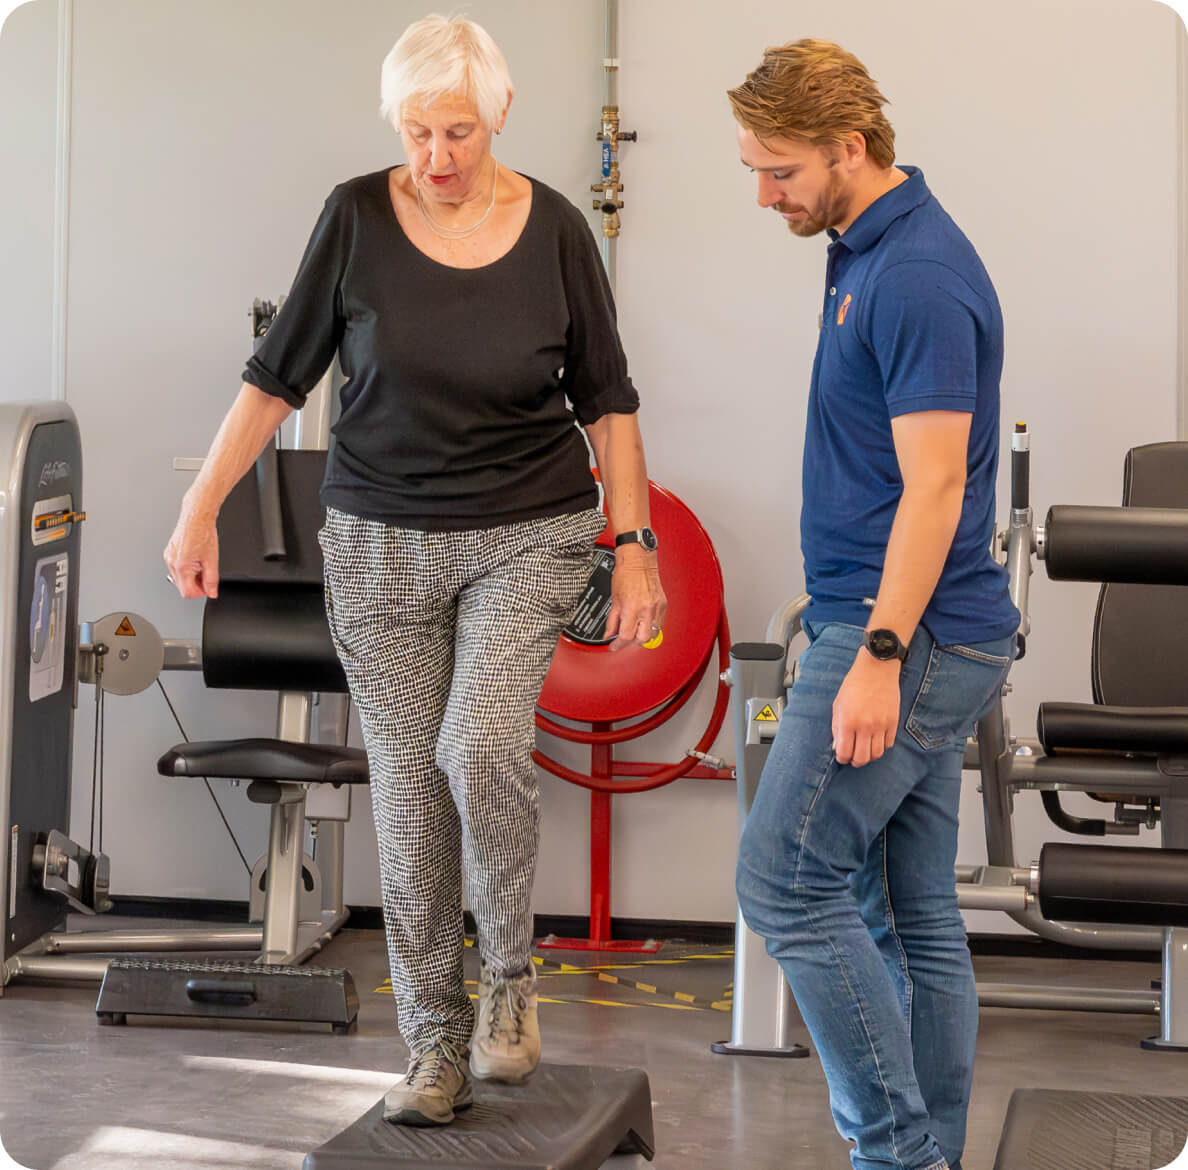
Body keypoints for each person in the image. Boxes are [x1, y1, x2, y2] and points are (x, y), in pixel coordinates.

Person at [164, 14, 666, 1130]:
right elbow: (275, 378)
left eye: (459, 131)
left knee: (476, 746)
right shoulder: (352, 215)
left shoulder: (556, 232)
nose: (437, 157)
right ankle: (434, 1046)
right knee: (406, 796)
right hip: (379, 544)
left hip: (525, 531)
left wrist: (634, 549)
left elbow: (612, 403)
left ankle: (508, 986)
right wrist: (202, 505)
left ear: (501, 116)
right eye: (417, 131)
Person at [727, 40, 1018, 1170]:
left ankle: (897, 1154)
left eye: (780, 169)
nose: (764, 193)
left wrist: (880, 653)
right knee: (909, 912)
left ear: (851, 147)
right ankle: (926, 1155)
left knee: (781, 880)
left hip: (913, 632)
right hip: (908, 623)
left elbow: (938, 486)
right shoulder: (860, 243)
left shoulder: (918, 278)